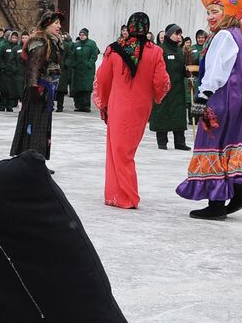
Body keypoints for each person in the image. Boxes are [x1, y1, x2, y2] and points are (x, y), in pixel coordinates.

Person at [176, 0, 242, 220]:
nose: (210, 17)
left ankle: (215, 205)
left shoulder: (224, 36)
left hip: (219, 101)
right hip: (237, 102)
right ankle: (239, 192)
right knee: (230, 145)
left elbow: (216, 71)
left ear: (228, 12)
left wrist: (202, 97)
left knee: (212, 144)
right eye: (208, 12)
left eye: (215, 12)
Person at [93, 12, 170, 209]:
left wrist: (104, 103)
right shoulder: (155, 52)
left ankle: (124, 195)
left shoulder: (114, 49)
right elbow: (161, 82)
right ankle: (118, 193)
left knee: (116, 150)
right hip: (141, 107)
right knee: (126, 150)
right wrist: (156, 96)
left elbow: (102, 79)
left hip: (118, 105)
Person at [9, 12, 65, 160]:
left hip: (46, 91)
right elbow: (33, 67)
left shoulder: (52, 41)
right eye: (56, 23)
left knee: (42, 127)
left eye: (59, 23)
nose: (59, 26)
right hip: (38, 91)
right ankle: (31, 160)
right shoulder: (40, 42)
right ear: (47, 24)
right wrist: (35, 89)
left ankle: (37, 160)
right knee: (35, 126)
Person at [150, 24, 191, 150]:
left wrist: (187, 72)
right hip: (164, 90)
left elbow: (182, 67)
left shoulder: (179, 50)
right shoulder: (160, 50)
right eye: (176, 34)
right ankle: (162, 142)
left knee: (178, 115)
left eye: (180, 34)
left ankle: (180, 142)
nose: (179, 36)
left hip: (178, 90)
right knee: (163, 114)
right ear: (169, 35)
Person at [67, 28, 98, 115]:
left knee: (86, 89)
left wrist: (89, 64)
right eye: (80, 35)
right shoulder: (76, 45)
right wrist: (74, 64)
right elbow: (73, 55)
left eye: (83, 35)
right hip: (78, 70)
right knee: (77, 88)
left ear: (86, 35)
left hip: (87, 70)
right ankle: (78, 105)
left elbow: (94, 55)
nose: (82, 36)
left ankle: (86, 106)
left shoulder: (91, 44)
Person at [0, 30, 24, 111]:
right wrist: (2, 67)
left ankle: (9, 105)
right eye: (13, 37)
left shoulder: (18, 48)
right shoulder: (5, 46)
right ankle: (2, 105)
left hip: (13, 72)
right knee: (3, 90)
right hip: (4, 72)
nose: (14, 39)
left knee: (11, 90)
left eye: (16, 38)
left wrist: (15, 69)